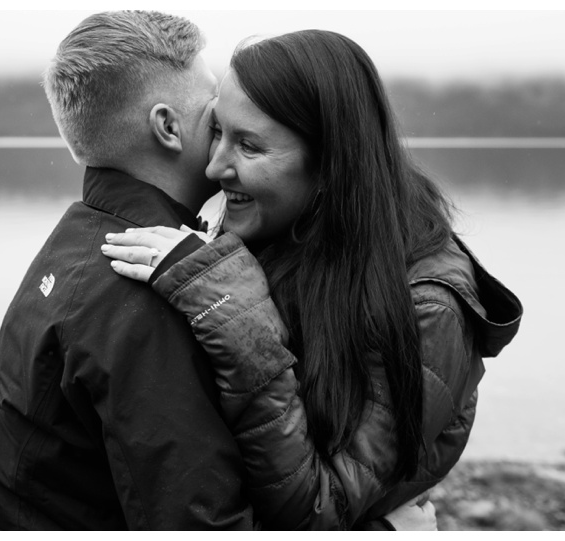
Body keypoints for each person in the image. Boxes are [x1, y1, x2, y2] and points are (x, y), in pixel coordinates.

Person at [102, 29, 524, 529]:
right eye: (217, 130)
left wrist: (236, 312)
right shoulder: (280, 228)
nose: (215, 167)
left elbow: (316, 512)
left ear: (329, 165)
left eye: (249, 146)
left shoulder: (428, 309)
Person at [0, 11, 254, 530]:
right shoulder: (153, 287)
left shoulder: (76, 241)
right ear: (168, 127)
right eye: (213, 108)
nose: (227, 121)